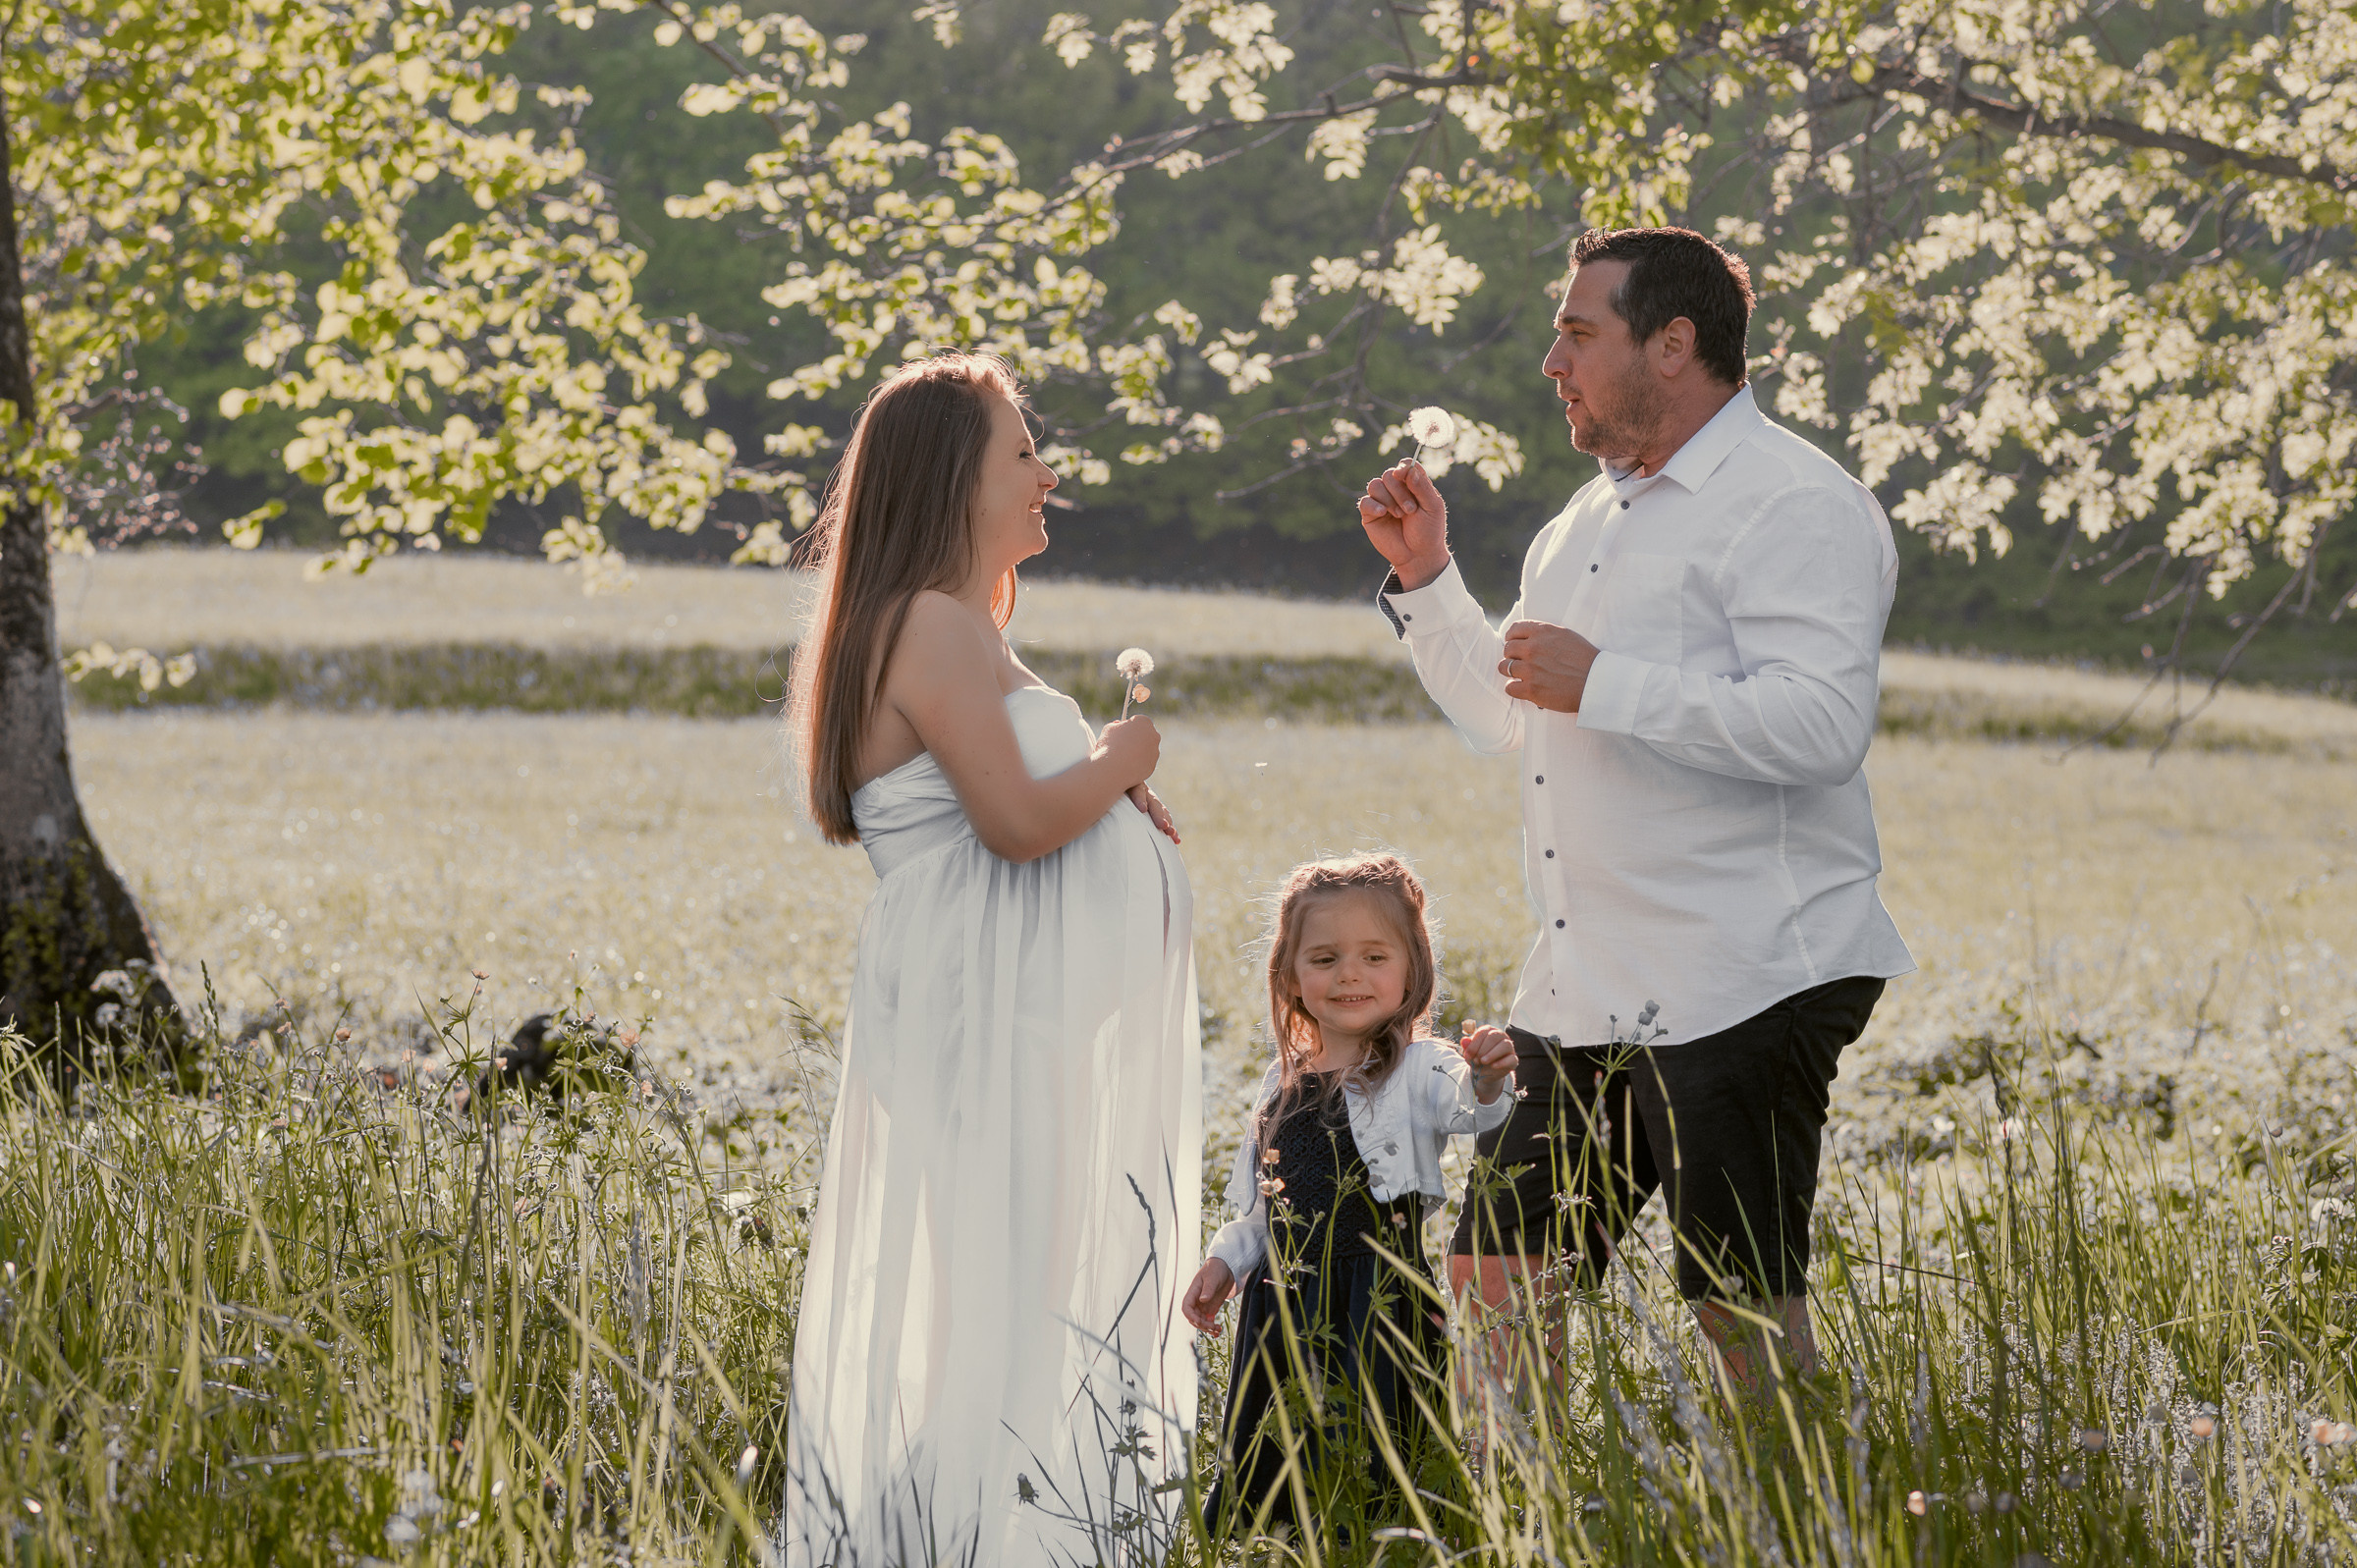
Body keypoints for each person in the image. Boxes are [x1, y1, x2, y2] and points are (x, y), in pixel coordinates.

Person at [1356, 227, 1916, 1390]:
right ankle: (1531, 1528)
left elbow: (1820, 728)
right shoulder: (1586, 521)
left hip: (1746, 968)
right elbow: (1511, 712)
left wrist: (1604, 682)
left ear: (1674, 343)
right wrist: (1429, 580)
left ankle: (1814, 1516)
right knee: (1496, 1275)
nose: (1552, 364)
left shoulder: (1796, 504)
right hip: (1589, 983)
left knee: (1738, 1306)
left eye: (1576, 333)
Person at [781, 352, 1200, 1567]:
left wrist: (1105, 807)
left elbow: (1024, 810)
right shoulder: (927, 624)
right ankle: (959, 1541)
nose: (1046, 473)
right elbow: (1015, 824)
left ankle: (985, 1532)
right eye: (1022, 451)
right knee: (1007, 1301)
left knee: (1020, 1296)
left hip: (1017, 1022)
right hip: (984, 1023)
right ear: (953, 475)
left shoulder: (949, 627)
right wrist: (1123, 763)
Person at [1179, 853, 1516, 1534]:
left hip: (1379, 1296)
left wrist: (1485, 1077)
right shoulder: (1281, 1080)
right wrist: (1225, 1261)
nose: (1350, 975)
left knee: (1382, 1434)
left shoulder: (1420, 1067)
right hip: (1283, 1300)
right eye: (1325, 957)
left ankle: (1389, 1540)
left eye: (1373, 955)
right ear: (1290, 974)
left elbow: (1472, 1110)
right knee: (1275, 1439)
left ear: (1412, 967)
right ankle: (1279, 1541)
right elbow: (1263, 1207)